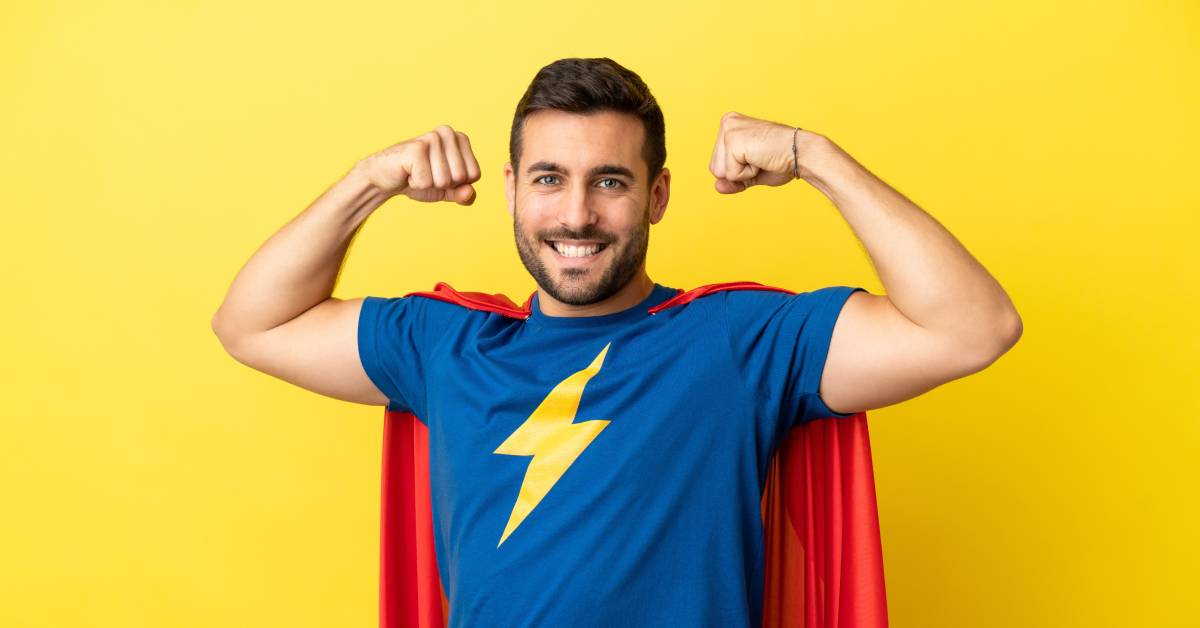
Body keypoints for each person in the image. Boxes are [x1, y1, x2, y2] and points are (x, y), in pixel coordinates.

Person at [211, 57, 1022, 627]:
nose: (575, 216)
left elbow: (972, 328)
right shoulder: (444, 343)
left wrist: (819, 158)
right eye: (549, 178)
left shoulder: (742, 342)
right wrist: (368, 182)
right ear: (510, 191)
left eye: (610, 181)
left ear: (657, 194)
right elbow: (252, 324)